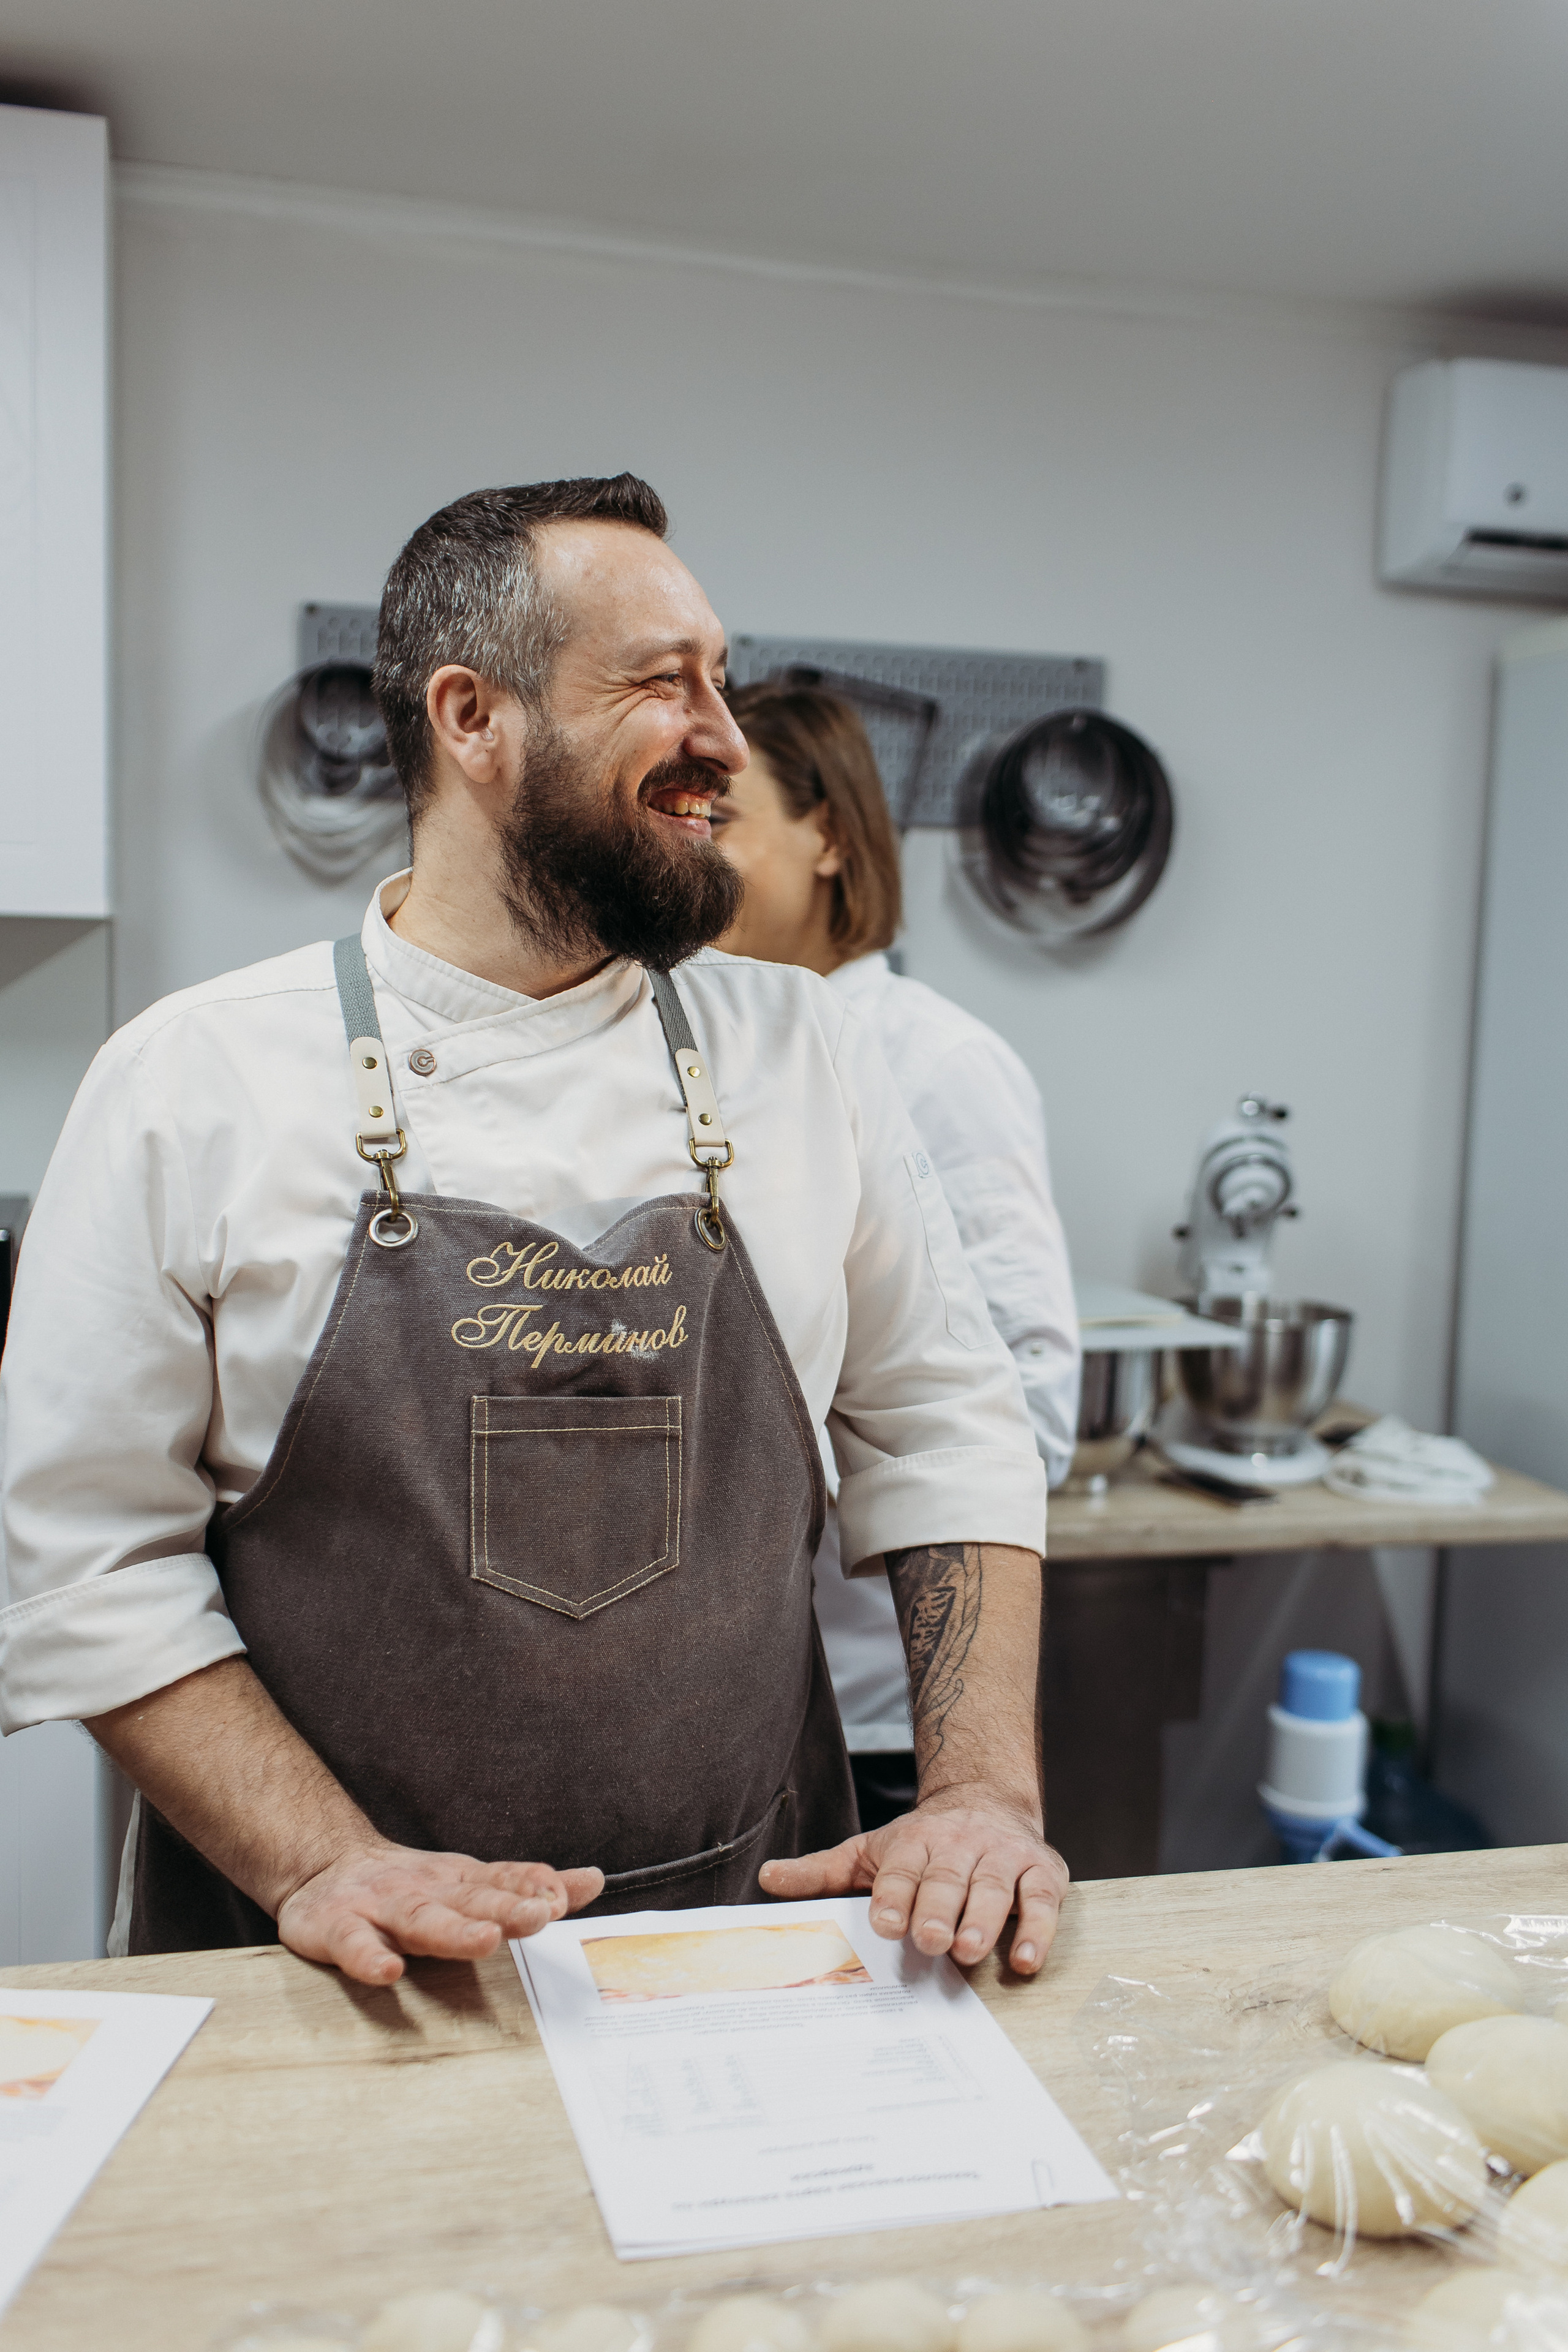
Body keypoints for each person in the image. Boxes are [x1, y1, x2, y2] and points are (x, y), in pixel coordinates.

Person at [0, 476, 1067, 1988]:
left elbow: (946, 1424)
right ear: (471, 717)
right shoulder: (194, 1080)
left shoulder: (800, 1049)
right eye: (660, 683)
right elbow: (87, 1559)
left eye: (721, 678)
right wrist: (327, 1862)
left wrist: (975, 1794)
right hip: (330, 1967)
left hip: (756, 1937)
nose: (722, 738)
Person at [714, 682, 1080, 1832]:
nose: (688, 853)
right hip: (722, 1701)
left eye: (720, 821)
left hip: (871, 1704)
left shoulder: (938, 1063)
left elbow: (1028, 1413)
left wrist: (742, 1460)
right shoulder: (703, 1050)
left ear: (825, 835)